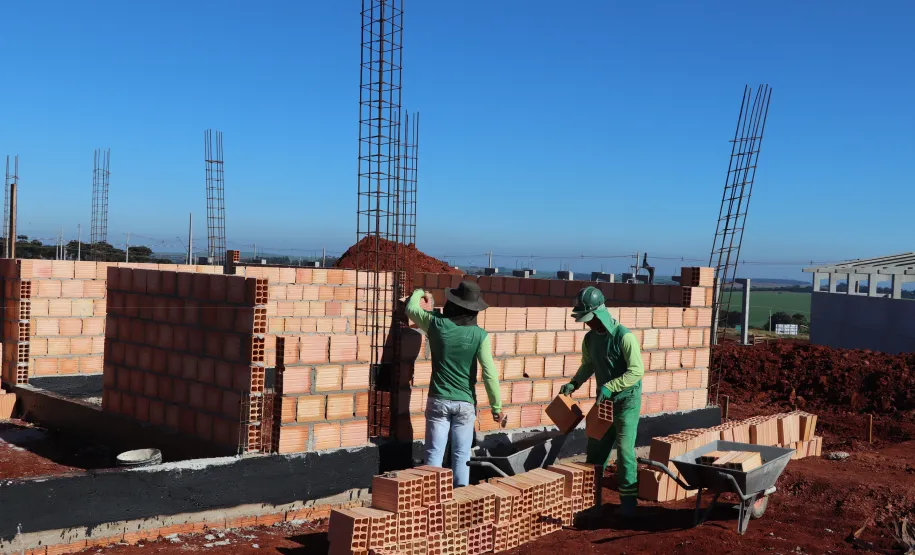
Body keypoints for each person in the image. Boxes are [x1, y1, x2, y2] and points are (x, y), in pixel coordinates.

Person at [405, 280, 502, 487]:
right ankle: (460, 502)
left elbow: (411, 309)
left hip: (438, 401)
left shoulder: (437, 324)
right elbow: (489, 374)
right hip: (465, 405)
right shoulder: (479, 336)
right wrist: (496, 407)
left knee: (434, 454)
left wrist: (419, 292)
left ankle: (430, 500)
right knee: (461, 455)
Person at [560, 286, 644, 517]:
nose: (588, 324)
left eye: (590, 319)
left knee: (625, 451)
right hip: (604, 403)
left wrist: (611, 386)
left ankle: (628, 503)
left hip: (626, 401)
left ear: (600, 313)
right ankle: (592, 499)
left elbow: (636, 371)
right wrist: (574, 383)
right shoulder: (589, 339)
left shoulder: (624, 337)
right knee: (596, 448)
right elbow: (588, 365)